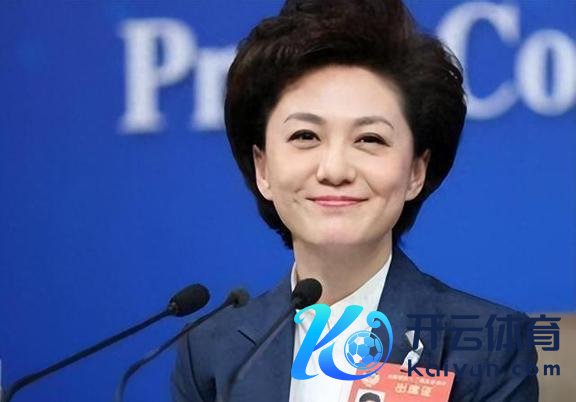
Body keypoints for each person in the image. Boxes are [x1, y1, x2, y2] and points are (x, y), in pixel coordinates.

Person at [172, 1, 538, 401]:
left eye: (369, 139)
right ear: (263, 168)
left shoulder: (486, 347)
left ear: (415, 171)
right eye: (305, 136)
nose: (334, 169)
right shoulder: (211, 352)